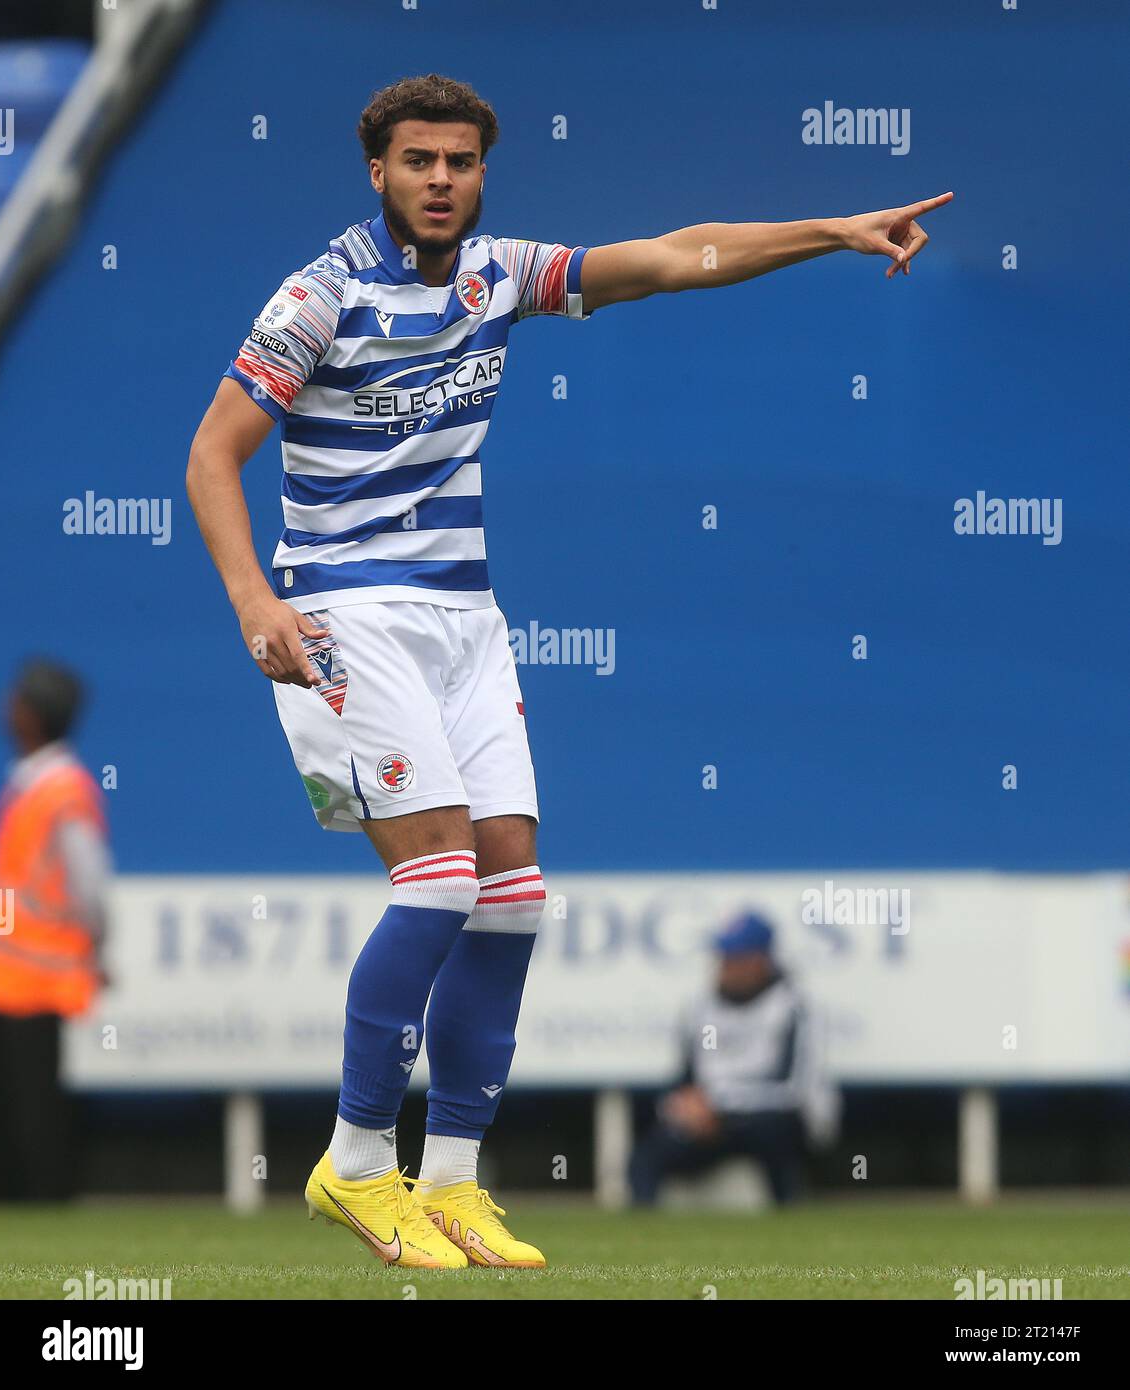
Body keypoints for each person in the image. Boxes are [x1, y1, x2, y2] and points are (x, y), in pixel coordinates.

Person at [186, 72, 948, 1268]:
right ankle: (353, 1162)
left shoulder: (501, 275)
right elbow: (211, 455)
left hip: (466, 623)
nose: (440, 179)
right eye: (417, 161)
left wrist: (835, 232)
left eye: (460, 161)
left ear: (483, 171)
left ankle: (451, 1180)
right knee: (436, 881)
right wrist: (251, 598)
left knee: (514, 895)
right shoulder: (318, 295)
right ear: (376, 172)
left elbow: (676, 255)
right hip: (343, 615)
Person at [0, 660, 111, 1201]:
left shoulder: (61, 789)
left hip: (34, 976)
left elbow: (89, 883)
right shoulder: (35, 783)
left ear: (33, 716)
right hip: (14, 973)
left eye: (17, 701)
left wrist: (96, 948)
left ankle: (45, 1197)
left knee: (33, 1099)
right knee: (20, 1096)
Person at [629, 913, 839, 1207]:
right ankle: (646, 1234)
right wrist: (685, 1108)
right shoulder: (700, 1008)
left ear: (759, 961)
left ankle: (790, 1216)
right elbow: (684, 1080)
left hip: (775, 1116)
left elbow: (792, 1089)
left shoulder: (793, 1006)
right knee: (647, 1154)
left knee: (773, 1134)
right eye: (723, 958)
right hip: (713, 1120)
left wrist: (718, 1107)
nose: (725, 968)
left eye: (735, 958)